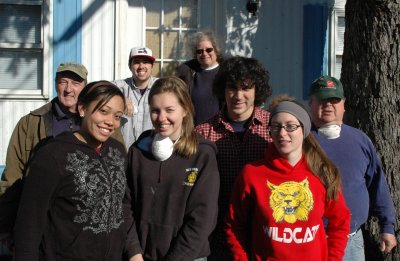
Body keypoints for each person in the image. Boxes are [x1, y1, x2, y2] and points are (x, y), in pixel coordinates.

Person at [13, 81, 143, 261]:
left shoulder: (118, 150)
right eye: (103, 111)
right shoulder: (52, 156)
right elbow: (29, 225)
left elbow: (121, 207)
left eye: (117, 116)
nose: (110, 122)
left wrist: (134, 252)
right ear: (82, 109)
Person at [225, 98, 351, 260]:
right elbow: (234, 225)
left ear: (303, 130)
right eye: (276, 126)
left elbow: (340, 222)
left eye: (290, 126)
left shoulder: (322, 173)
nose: (282, 133)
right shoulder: (252, 174)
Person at [0, 62, 90, 255]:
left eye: (75, 83)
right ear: (55, 84)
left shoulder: (97, 122)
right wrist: (5, 227)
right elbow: (12, 178)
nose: (68, 89)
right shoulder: (30, 123)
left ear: (85, 87)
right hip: (41, 225)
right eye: (62, 82)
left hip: (85, 228)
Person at [127, 76, 219, 260]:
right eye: (155, 111)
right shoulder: (138, 151)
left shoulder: (202, 154)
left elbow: (202, 219)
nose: (162, 118)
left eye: (170, 110)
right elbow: (125, 205)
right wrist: (133, 251)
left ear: (185, 109)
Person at [308, 75, 397, 260]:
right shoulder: (301, 141)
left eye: (334, 100)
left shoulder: (360, 140)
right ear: (311, 103)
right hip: (311, 240)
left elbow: (377, 185)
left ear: (343, 105)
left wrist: (387, 226)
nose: (328, 105)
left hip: (352, 240)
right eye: (322, 100)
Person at [195, 56, 273, 260]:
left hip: (264, 236)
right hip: (218, 237)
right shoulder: (203, 133)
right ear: (223, 90)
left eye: (246, 87)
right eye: (232, 87)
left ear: (257, 91)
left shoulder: (273, 128)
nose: (238, 95)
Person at [113, 47, 158, 148]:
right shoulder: (121, 86)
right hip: (124, 151)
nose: (141, 66)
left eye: (146, 62)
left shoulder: (160, 86)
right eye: (137, 62)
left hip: (152, 152)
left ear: (152, 66)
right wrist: (119, 97)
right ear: (130, 66)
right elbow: (96, 87)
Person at [176, 31, 222, 125]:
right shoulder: (187, 74)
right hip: (194, 131)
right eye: (199, 51)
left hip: (221, 132)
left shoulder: (226, 73)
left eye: (209, 50)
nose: (204, 54)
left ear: (216, 51)